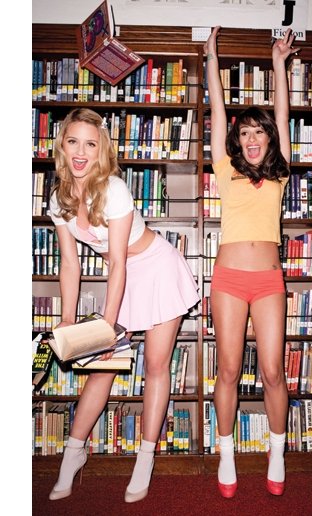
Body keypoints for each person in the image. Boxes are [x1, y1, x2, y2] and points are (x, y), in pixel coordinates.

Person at [47, 107, 199, 503]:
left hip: (156, 269)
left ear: (101, 150)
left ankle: (145, 458)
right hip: (124, 276)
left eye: (90, 144)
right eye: (73, 142)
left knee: (155, 366)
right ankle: (73, 454)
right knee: (101, 372)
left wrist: (107, 329)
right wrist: (67, 320)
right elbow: (70, 263)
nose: (81, 152)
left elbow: (117, 262)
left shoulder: (113, 189)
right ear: (62, 146)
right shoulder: (58, 198)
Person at [203, 27, 299, 498]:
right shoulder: (225, 170)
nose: (252, 138)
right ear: (237, 142)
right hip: (228, 279)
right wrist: (211, 56)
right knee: (227, 370)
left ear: (268, 139)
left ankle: (276, 454)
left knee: (273, 372)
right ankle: (226, 455)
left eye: (258, 131)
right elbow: (218, 110)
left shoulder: (280, 173)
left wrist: (278, 62)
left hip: (268, 280)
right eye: (244, 133)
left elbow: (283, 114)